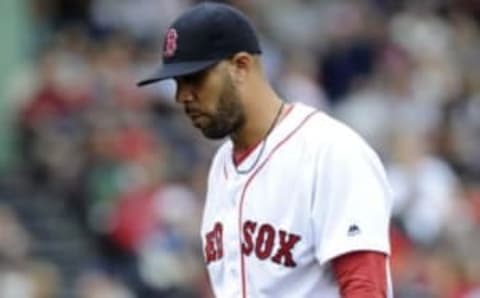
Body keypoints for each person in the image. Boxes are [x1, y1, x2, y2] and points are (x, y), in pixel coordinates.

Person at [138, 2, 393, 298]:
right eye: (178, 82)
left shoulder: (330, 151)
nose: (182, 96)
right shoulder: (221, 165)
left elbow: (366, 287)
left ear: (241, 66)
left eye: (194, 78)